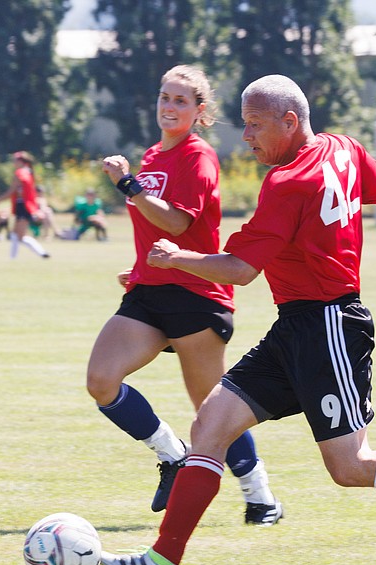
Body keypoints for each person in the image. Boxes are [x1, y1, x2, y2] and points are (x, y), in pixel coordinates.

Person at [99, 74, 376, 565]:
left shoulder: (286, 183)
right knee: (210, 425)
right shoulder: (344, 148)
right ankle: (163, 561)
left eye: (254, 125)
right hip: (295, 326)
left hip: (328, 328)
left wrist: (175, 259)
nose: (246, 136)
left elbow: (240, 269)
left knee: (349, 466)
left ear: (289, 122)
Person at [88, 65, 282, 526]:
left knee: (213, 410)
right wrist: (136, 269)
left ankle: (261, 496)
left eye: (180, 101)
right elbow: (152, 228)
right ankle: (172, 455)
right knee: (101, 380)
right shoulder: (152, 156)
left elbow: (177, 224)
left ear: (199, 112)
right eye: (164, 97)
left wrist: (127, 185)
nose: (169, 106)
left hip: (196, 293)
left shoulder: (199, 157)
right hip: (149, 293)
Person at [3, 151, 50, 259]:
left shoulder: (20, 173)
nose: (13, 163)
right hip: (25, 206)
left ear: (20, 161)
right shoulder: (28, 172)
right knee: (18, 235)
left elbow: (12, 191)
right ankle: (41, 253)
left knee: (17, 235)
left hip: (23, 206)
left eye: (14, 160)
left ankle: (13, 258)